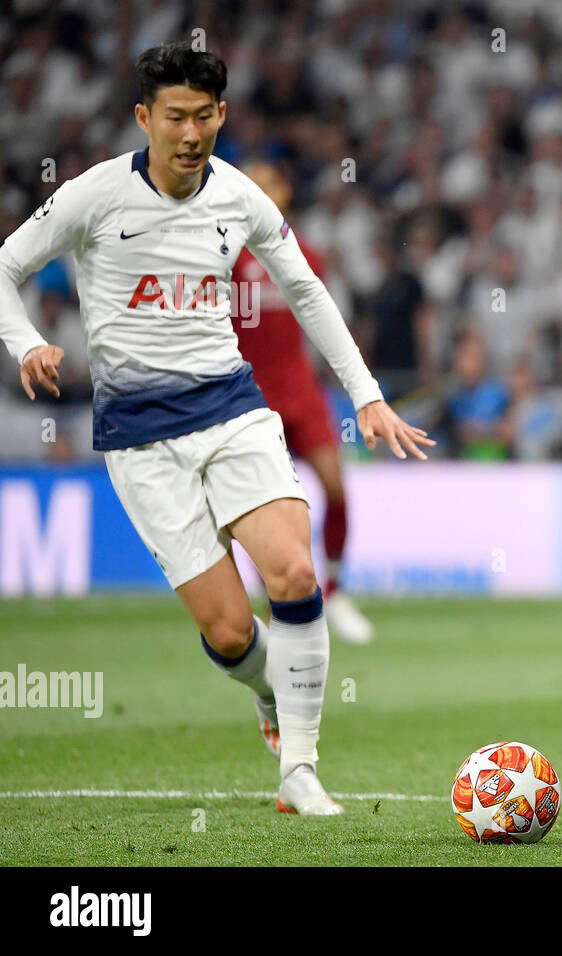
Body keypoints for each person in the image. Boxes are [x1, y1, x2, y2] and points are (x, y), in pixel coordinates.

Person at [0, 43, 434, 815]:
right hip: (138, 437)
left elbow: (305, 290)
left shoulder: (239, 196)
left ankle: (300, 769)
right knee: (231, 633)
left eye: (204, 116)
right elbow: (6, 265)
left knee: (293, 575)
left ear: (221, 116)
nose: (190, 132)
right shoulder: (93, 196)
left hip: (231, 409)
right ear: (144, 119)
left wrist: (365, 395)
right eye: (175, 117)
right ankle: (271, 694)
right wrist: (28, 341)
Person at [231, 161, 374, 644]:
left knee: (335, 486)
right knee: (264, 506)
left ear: (285, 192)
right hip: (249, 394)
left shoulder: (304, 255)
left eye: (269, 181)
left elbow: (326, 321)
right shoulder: (221, 256)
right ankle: (276, 595)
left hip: (299, 387)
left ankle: (333, 590)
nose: (261, 191)